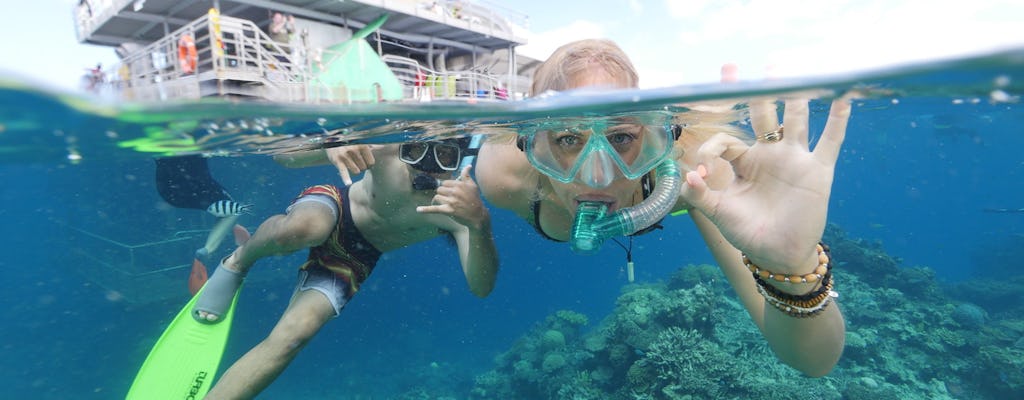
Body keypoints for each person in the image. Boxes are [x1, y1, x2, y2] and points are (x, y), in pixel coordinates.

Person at [474, 39, 850, 377]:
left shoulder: (695, 168)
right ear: (532, 146)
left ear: (656, 138)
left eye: (621, 138)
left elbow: (812, 361)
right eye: (568, 139)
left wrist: (792, 268)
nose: (598, 177)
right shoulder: (503, 177)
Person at [193, 137, 499, 399]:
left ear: (460, 159)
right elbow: (282, 157)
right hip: (335, 205)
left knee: (294, 337)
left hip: (356, 255)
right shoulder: (386, 150)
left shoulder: (459, 207)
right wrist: (332, 146)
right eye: (415, 150)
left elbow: (481, 288)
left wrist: (480, 222)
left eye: (444, 156)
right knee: (303, 228)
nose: (425, 165)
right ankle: (239, 260)